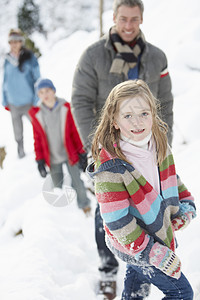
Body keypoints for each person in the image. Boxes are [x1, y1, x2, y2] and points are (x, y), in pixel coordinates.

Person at [71, 0, 174, 297]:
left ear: (142, 19)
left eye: (135, 19)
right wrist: (97, 146)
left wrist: (162, 143)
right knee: (109, 212)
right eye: (123, 19)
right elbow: (80, 101)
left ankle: (139, 270)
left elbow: (165, 103)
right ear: (114, 18)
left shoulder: (156, 57)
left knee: (144, 210)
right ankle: (108, 268)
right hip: (109, 148)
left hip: (146, 147)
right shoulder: (93, 56)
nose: (129, 26)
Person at [88, 79, 196, 299]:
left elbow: (169, 175)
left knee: (136, 289)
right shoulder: (110, 167)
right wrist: (152, 252)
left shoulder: (156, 141)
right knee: (182, 293)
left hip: (155, 234)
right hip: (135, 242)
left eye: (144, 113)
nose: (137, 122)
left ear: (153, 113)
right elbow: (118, 222)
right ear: (115, 121)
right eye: (128, 115)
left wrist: (185, 201)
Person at [29, 78, 91, 215]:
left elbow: (75, 131)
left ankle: (85, 206)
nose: (45, 94)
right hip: (52, 156)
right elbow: (37, 139)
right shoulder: (37, 114)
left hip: (70, 154)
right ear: (38, 95)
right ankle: (63, 213)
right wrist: (39, 160)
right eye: (41, 92)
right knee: (57, 186)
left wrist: (82, 152)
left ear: (53, 91)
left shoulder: (65, 108)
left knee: (77, 183)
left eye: (47, 90)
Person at [2, 28, 40, 158]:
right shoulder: (7, 59)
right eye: (11, 42)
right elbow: (5, 80)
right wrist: (4, 99)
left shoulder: (29, 57)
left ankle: (41, 149)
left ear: (21, 42)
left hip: (29, 101)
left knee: (38, 127)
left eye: (17, 41)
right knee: (17, 131)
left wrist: (36, 98)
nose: (14, 44)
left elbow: (37, 79)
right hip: (13, 103)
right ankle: (21, 151)